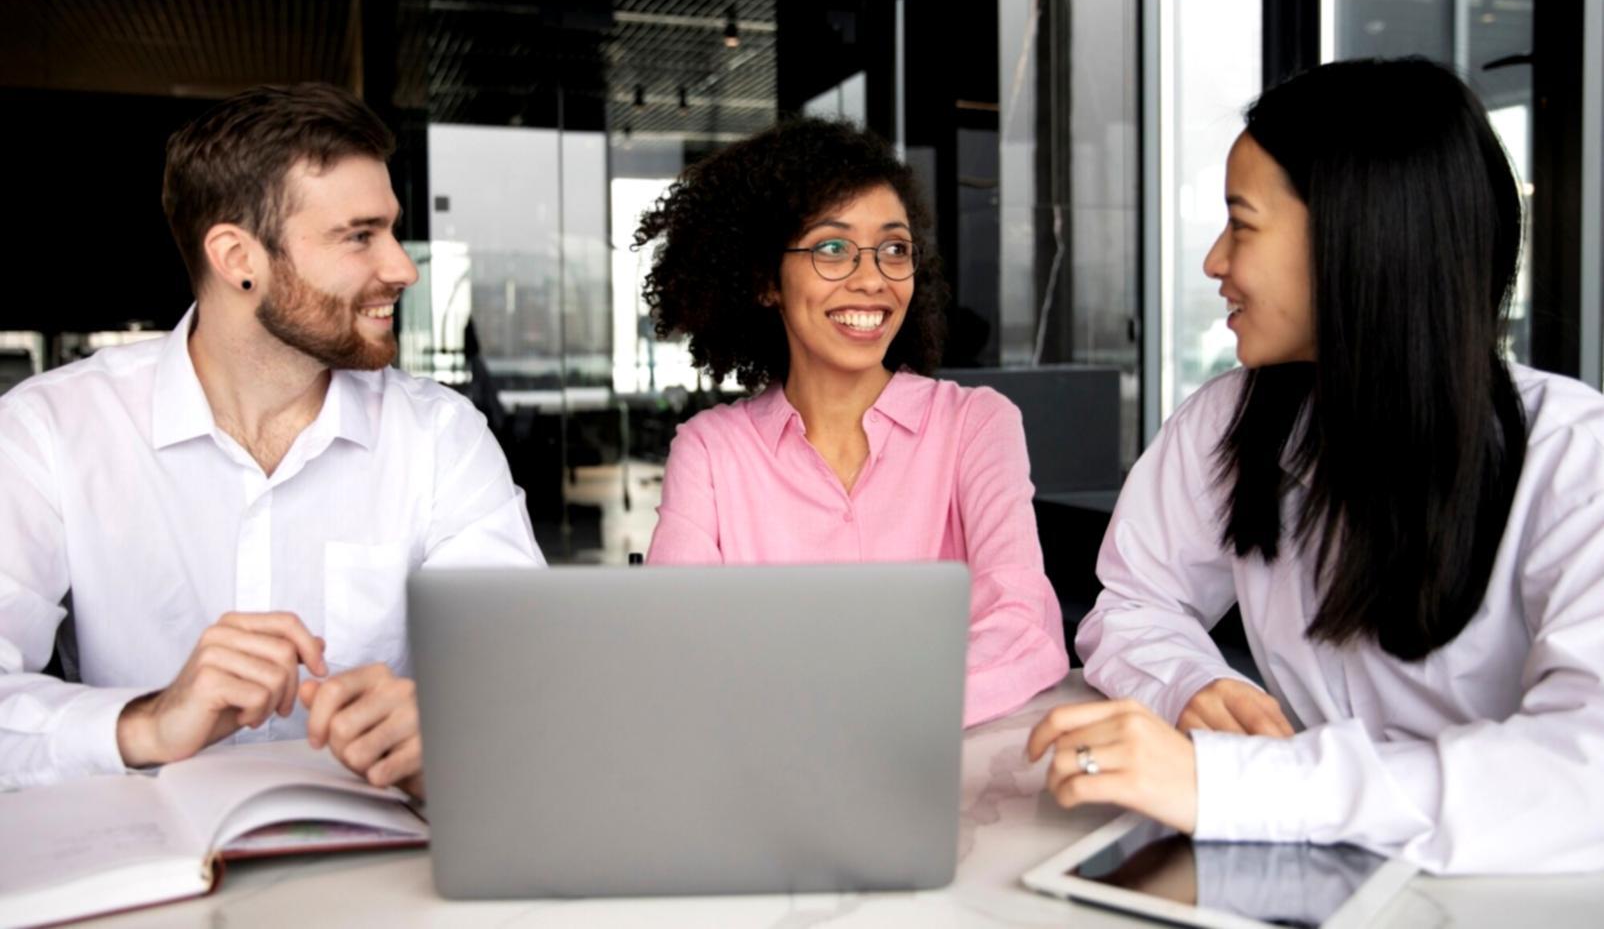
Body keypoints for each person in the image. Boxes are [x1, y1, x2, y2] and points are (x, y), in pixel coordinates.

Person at [1027, 57, 1604, 874]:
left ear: (1356, 237)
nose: (1214, 262)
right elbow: (1133, 600)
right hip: (1303, 873)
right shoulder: (1228, 423)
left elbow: (1584, 774)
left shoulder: (1576, 460)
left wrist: (1242, 784)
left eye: (1243, 223)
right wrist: (1188, 685)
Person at [0, 83, 543, 794]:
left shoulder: (440, 436)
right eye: (359, 235)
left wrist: (450, 728)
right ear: (237, 257)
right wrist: (147, 722)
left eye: (391, 230)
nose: (403, 268)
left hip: (385, 880)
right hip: (146, 875)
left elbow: (527, 674)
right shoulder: (51, 431)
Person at [637, 117, 1068, 726]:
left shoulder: (976, 425)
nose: (872, 279)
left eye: (894, 249)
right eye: (832, 247)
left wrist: (881, 714)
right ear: (765, 280)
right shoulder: (711, 452)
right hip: (768, 782)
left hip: (952, 778)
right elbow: (675, 645)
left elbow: (1023, 627)